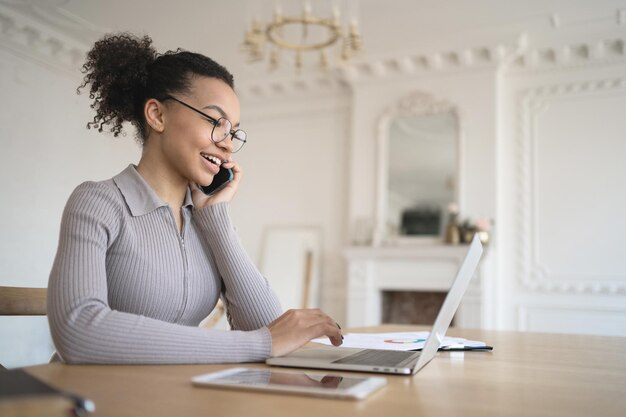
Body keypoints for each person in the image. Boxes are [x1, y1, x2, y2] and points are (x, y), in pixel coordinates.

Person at [47, 33, 343, 364]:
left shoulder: (202, 219)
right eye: (216, 122)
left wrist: (216, 216)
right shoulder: (98, 202)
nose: (228, 143)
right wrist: (260, 343)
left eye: (232, 131)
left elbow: (267, 328)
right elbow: (78, 331)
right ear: (157, 115)